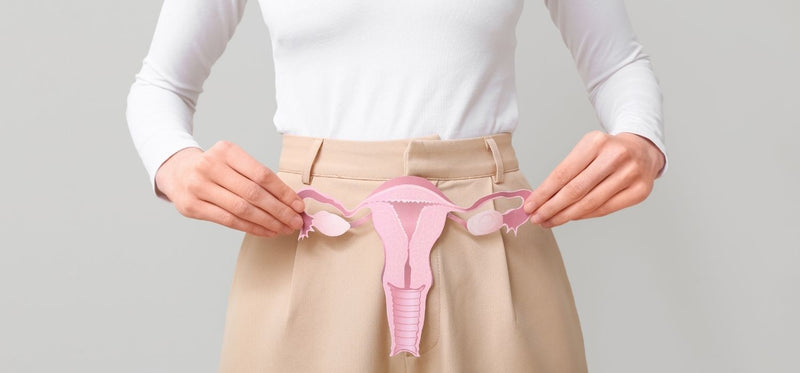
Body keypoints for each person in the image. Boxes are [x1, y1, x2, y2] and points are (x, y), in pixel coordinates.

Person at [126, 0, 667, 371]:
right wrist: (173, 162)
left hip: (490, 230)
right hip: (308, 233)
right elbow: (161, 83)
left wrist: (641, 138)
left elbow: (618, 62)